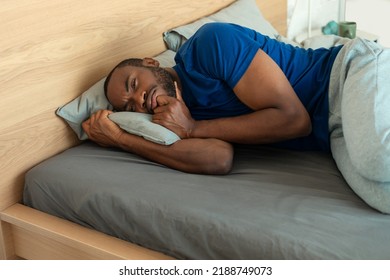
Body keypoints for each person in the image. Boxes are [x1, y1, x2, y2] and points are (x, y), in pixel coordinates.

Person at [82, 22, 390, 213]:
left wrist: (193, 128)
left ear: (151, 63)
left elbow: (295, 120)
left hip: (346, 74)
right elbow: (218, 159)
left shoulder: (210, 44)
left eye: (134, 84)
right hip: (331, 130)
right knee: (382, 198)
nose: (139, 100)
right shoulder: (174, 118)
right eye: (131, 108)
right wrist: (121, 138)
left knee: (376, 159)